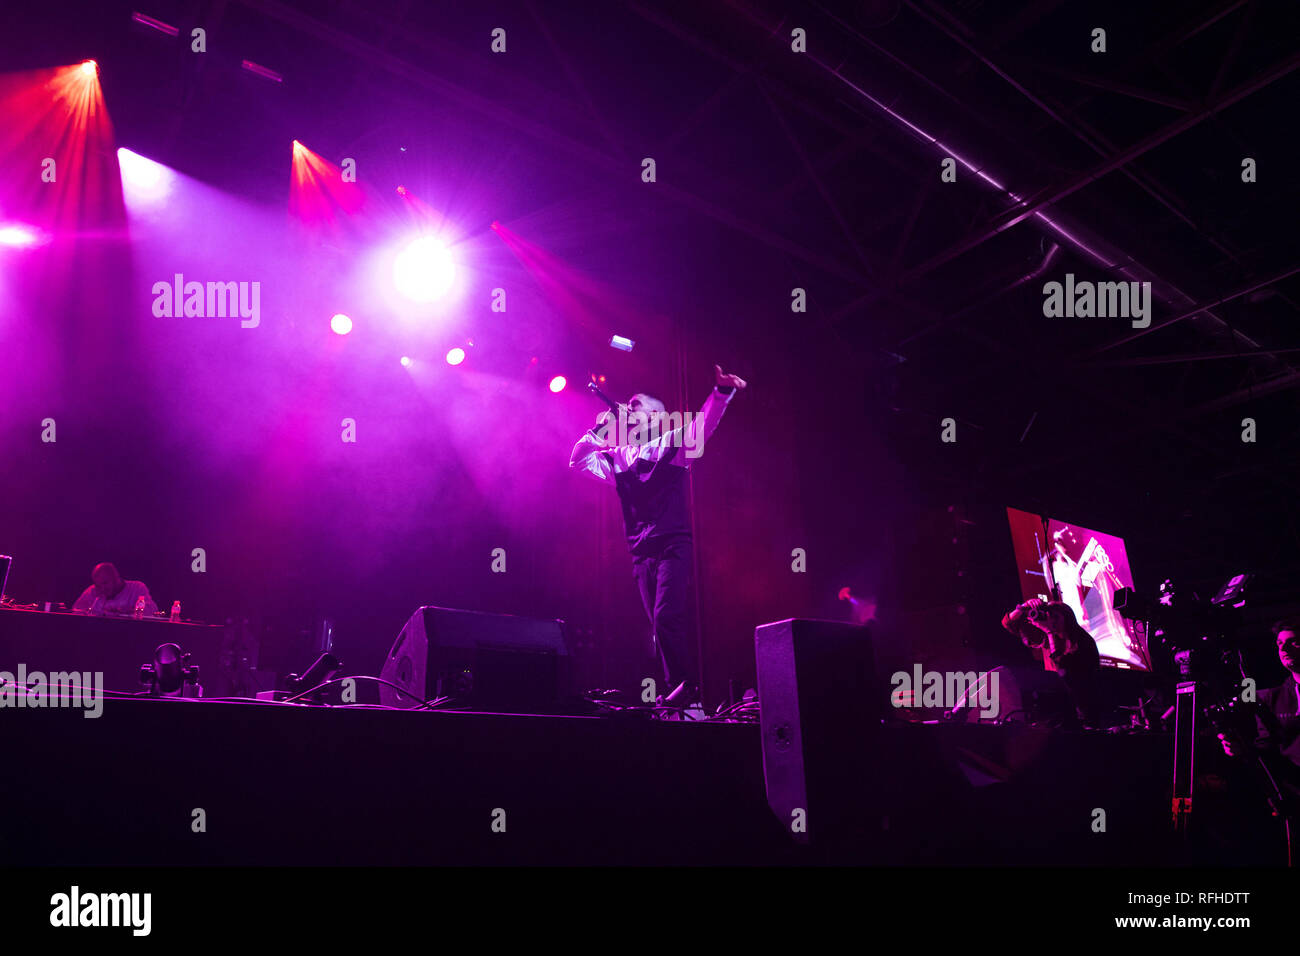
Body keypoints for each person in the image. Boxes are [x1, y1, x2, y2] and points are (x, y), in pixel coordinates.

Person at [570, 364, 747, 718]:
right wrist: (601, 429)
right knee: (657, 625)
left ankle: (686, 685)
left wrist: (721, 392)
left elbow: (704, 425)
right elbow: (577, 460)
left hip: (671, 545)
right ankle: (680, 698)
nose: (630, 407)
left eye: (638, 405)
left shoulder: (672, 443)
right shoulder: (619, 457)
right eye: (629, 405)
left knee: (667, 615)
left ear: (657, 416)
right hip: (641, 552)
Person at [1001, 598, 1102, 725]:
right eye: (1049, 617)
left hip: (1084, 705)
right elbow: (1008, 623)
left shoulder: (1082, 641)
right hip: (1061, 704)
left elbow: (1063, 667)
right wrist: (1023, 607)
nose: (1051, 621)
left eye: (1056, 617)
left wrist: (1049, 632)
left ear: (1067, 618)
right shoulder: (1049, 636)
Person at [72, 562, 158, 617]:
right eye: (98, 585)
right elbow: (76, 611)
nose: (102, 588)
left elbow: (152, 611)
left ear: (116, 579)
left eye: (105, 583)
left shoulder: (137, 588)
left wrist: (123, 612)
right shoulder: (93, 590)